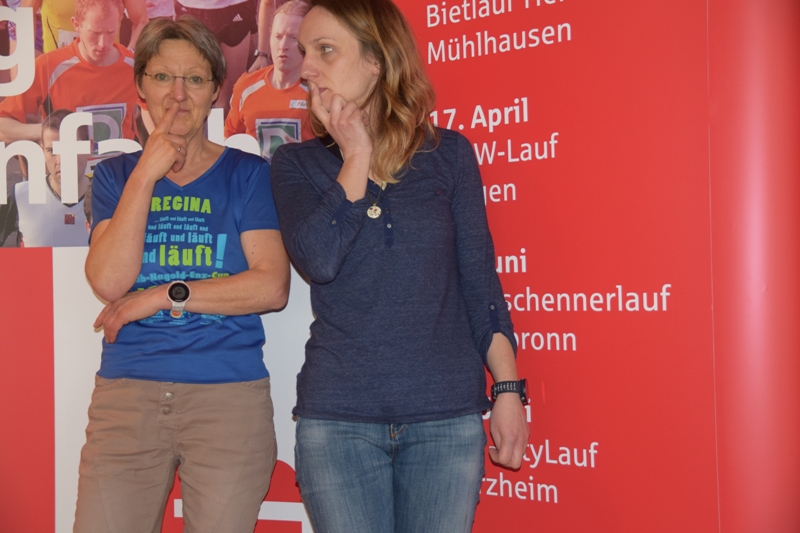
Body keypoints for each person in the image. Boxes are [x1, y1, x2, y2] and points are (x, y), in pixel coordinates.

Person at [270, 0, 530, 531]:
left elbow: (480, 285)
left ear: (376, 60)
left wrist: (507, 390)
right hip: (338, 421)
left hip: (445, 420)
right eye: (304, 52)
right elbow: (318, 260)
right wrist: (357, 156)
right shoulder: (294, 163)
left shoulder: (450, 155)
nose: (307, 68)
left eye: (325, 50)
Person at [75, 17, 290, 532]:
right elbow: (108, 282)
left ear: (215, 91)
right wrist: (145, 174)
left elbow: (271, 287)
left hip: (228, 400)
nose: (177, 95)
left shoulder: (248, 174)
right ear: (141, 87)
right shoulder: (115, 176)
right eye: (162, 78)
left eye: (194, 79)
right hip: (127, 397)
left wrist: (160, 296)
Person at [0, 0, 139, 144]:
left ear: (120, 22)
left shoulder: (134, 66)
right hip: (68, 159)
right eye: (95, 33)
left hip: (124, 158)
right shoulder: (49, 66)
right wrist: (46, 131)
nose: (103, 43)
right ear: (76, 25)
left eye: (111, 32)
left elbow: (151, 114)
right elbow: (3, 125)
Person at [225, 0, 313, 161]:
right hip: (256, 176)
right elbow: (231, 142)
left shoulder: (319, 91)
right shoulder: (246, 87)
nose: (283, 46)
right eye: (278, 36)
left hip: (304, 176)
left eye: (293, 38)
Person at [14, 109, 91, 247]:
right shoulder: (19, 196)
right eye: (52, 151)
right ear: (42, 150)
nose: (60, 160)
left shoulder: (111, 198)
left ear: (89, 147)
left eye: (69, 149)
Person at [174, 0, 258, 114]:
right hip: (191, 8)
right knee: (193, 97)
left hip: (235, 8)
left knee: (229, 101)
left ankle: (218, 126)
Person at [20, 0, 148, 52]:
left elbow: (141, 21)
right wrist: (27, 65)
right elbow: (24, 14)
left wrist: (129, 54)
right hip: (58, 73)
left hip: (105, 71)